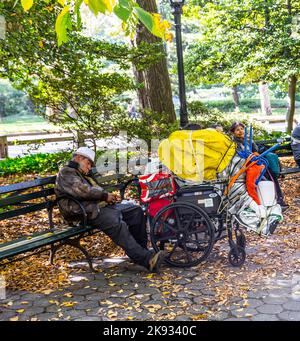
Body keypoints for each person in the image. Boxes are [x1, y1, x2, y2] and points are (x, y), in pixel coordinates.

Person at [55, 146, 165, 273]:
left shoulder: (81, 172)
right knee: (117, 223)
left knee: (136, 211)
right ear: (79, 158)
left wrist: (108, 197)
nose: (89, 167)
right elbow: (82, 190)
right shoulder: (66, 172)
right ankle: (147, 260)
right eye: (88, 163)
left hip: (97, 207)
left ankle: (140, 254)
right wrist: (104, 195)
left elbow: (92, 189)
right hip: (83, 212)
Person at [229, 122, 288, 209]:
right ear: (233, 132)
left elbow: (255, 152)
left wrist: (257, 158)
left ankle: (278, 200)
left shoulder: (249, 140)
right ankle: (258, 203)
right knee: (254, 181)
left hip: (255, 163)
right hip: (244, 166)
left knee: (270, 174)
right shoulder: (234, 143)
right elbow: (238, 157)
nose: (240, 131)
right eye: (237, 130)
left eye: (242, 129)